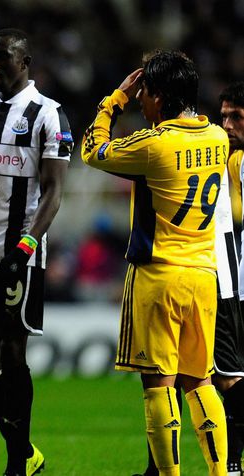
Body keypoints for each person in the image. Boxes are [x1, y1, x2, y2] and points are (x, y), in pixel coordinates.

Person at [82, 50, 229, 475]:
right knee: (200, 381)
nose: (141, 99)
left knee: (158, 383)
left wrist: (114, 100)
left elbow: (94, 151)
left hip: (158, 274)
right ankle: (222, 472)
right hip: (203, 274)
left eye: (145, 92)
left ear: (159, 96)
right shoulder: (217, 138)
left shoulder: (154, 145)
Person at [0, 28, 72, 476]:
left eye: (2, 57)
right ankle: (24, 451)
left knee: (11, 352)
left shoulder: (49, 114)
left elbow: (54, 191)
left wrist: (25, 246)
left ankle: (14, 464)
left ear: (25, 62)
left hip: (20, 254)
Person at [134, 81, 244, 476]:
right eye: (225, 114)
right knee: (191, 377)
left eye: (237, 117)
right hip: (208, 273)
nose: (228, 124)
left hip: (208, 275)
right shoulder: (215, 143)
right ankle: (200, 468)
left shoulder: (222, 154)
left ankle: (229, 465)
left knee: (215, 377)